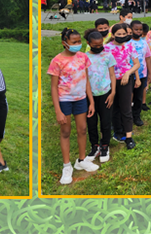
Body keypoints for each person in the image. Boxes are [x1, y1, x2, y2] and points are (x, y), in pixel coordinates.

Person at [48, 28, 98, 185]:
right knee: (65, 132)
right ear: (65, 43)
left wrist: (91, 101)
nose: (78, 44)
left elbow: (86, 80)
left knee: (82, 130)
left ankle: (81, 160)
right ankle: (67, 166)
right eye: (74, 42)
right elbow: (54, 87)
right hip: (64, 101)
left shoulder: (83, 57)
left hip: (81, 99)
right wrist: (58, 110)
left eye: (79, 41)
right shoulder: (57, 61)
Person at [104, 23, 140, 149]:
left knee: (126, 108)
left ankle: (128, 136)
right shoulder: (106, 48)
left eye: (124, 34)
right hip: (110, 81)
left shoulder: (129, 46)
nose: (121, 36)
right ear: (113, 35)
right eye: (118, 34)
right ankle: (118, 131)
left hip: (125, 80)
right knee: (114, 107)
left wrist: (128, 73)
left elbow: (136, 64)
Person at [84, 29, 116, 163]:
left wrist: (113, 92)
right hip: (89, 95)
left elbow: (112, 75)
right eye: (95, 45)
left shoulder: (108, 56)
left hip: (105, 93)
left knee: (105, 121)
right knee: (91, 122)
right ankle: (94, 146)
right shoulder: (84, 57)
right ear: (88, 43)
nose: (98, 47)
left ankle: (104, 145)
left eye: (100, 44)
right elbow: (85, 78)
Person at [129, 20, 151, 126]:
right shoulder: (126, 42)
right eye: (136, 29)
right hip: (128, 75)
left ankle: (136, 116)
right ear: (130, 29)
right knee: (127, 97)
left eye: (140, 29)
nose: (138, 32)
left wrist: (150, 72)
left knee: (138, 97)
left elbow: (147, 57)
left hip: (142, 74)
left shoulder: (144, 42)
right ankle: (125, 116)